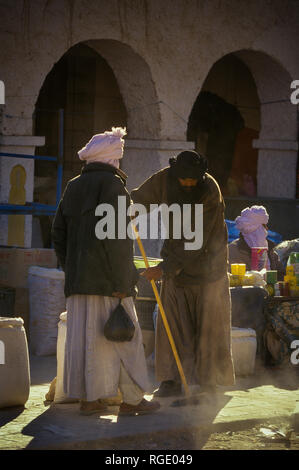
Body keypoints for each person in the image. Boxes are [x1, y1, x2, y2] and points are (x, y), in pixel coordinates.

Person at [51, 127, 160, 416]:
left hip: (79, 283)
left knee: (87, 342)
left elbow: (57, 233)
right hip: (110, 284)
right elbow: (117, 240)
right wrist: (124, 281)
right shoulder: (113, 187)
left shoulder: (73, 186)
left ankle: (89, 400)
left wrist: (72, 267)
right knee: (126, 341)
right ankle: (133, 399)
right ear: (113, 160)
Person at [131, 150, 235, 397]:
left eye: (193, 180)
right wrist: (131, 210)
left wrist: (164, 269)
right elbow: (139, 198)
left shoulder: (210, 190)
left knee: (209, 329)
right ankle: (171, 380)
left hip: (209, 267)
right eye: (184, 179)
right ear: (176, 173)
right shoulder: (165, 179)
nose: (188, 183)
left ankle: (208, 383)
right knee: (172, 328)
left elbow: (196, 241)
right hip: (176, 266)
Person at [228, 205, 284, 278]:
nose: (266, 229)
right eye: (264, 226)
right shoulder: (232, 250)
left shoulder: (270, 252)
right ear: (254, 228)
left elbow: (281, 274)